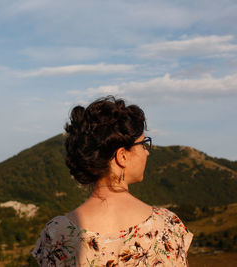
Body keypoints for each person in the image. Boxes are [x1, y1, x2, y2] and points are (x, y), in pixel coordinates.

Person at [31, 96, 193, 266]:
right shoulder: (167, 227)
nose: (147, 152)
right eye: (143, 144)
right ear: (122, 156)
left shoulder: (56, 234)